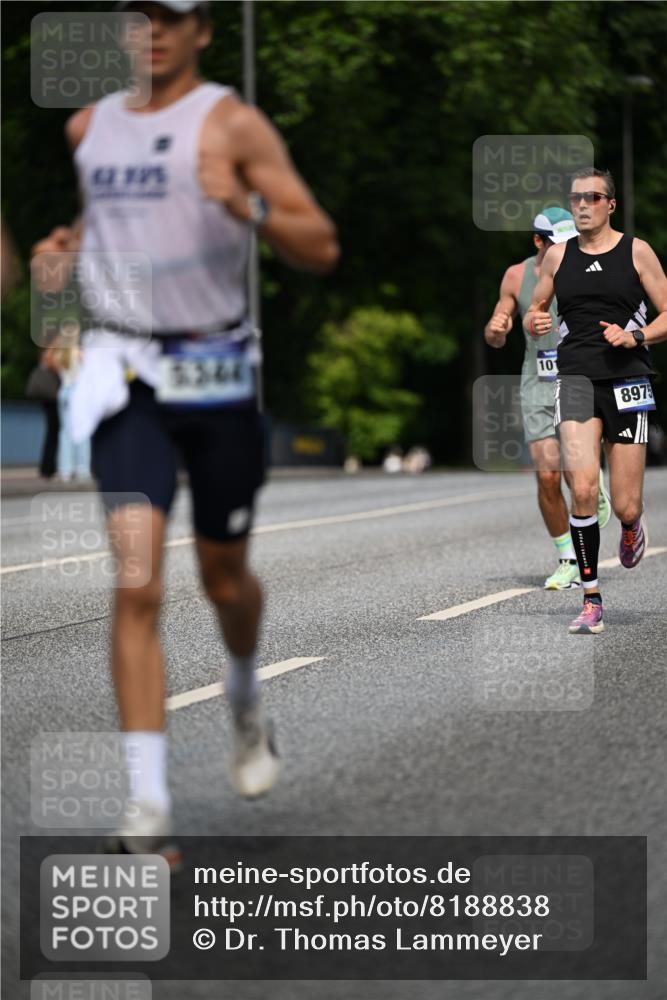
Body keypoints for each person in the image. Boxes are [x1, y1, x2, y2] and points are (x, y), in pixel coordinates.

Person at [31, 0, 339, 855]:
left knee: (223, 579)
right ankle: (149, 808)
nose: (153, 32)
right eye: (138, 16)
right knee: (136, 586)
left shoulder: (232, 124)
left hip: (215, 377)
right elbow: (106, 226)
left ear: (201, 29)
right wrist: (65, 259)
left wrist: (249, 207)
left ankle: (243, 697)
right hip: (126, 378)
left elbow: (319, 245)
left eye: (169, 16)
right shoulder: (88, 127)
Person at [524, 167, 667, 633]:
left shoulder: (636, 251)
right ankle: (591, 599)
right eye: (576, 198)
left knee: (626, 504)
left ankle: (631, 526)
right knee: (583, 489)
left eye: (592, 197)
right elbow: (536, 309)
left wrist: (635, 336)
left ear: (611, 205)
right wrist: (534, 322)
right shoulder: (557, 256)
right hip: (575, 379)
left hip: (627, 380)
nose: (583, 205)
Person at [484, 206, 611, 590]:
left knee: (576, 477)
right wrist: (496, 330)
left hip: (578, 379)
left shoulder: (585, 266)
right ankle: (567, 558)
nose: (566, 248)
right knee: (547, 474)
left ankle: (591, 480)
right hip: (537, 383)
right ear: (538, 241)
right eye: (556, 242)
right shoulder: (516, 275)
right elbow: (496, 333)